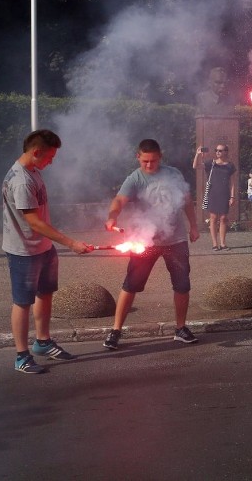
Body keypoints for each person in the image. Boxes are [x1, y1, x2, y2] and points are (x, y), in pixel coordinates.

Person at [3, 130, 93, 373]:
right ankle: (22, 356)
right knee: (22, 302)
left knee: (45, 293)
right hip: (24, 251)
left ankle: (42, 342)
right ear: (36, 152)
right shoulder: (21, 180)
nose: (52, 161)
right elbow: (35, 223)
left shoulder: (34, 172)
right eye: (50, 156)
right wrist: (71, 243)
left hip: (43, 247)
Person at [103, 139, 201, 350]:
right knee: (131, 285)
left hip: (176, 239)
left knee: (182, 285)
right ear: (138, 157)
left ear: (160, 157)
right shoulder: (135, 179)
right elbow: (119, 200)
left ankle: (181, 329)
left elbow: (186, 200)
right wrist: (112, 217)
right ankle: (116, 330)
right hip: (145, 240)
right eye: (145, 161)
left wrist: (193, 226)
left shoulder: (174, 174)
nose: (149, 165)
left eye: (153, 161)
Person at [193, 143, 236, 250]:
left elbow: (233, 182)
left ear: (226, 152)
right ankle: (214, 244)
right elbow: (195, 166)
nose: (217, 152)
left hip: (224, 194)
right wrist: (197, 154)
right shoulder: (211, 163)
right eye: (216, 150)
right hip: (213, 193)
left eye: (220, 150)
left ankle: (223, 243)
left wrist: (232, 196)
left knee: (223, 218)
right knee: (213, 218)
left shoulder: (230, 165)